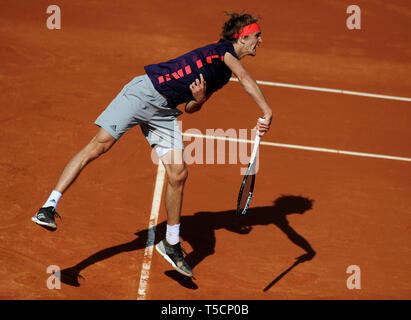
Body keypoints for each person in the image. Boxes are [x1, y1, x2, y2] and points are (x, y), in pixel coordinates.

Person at [32, 12, 273, 278]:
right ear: (241, 37)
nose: (260, 40)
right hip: (143, 93)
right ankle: (49, 207)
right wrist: (267, 111)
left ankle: (170, 243)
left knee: (178, 174)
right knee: (99, 146)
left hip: (164, 112)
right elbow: (247, 79)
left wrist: (200, 98)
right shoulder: (223, 52)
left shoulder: (220, 75)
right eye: (257, 36)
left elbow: (191, 108)